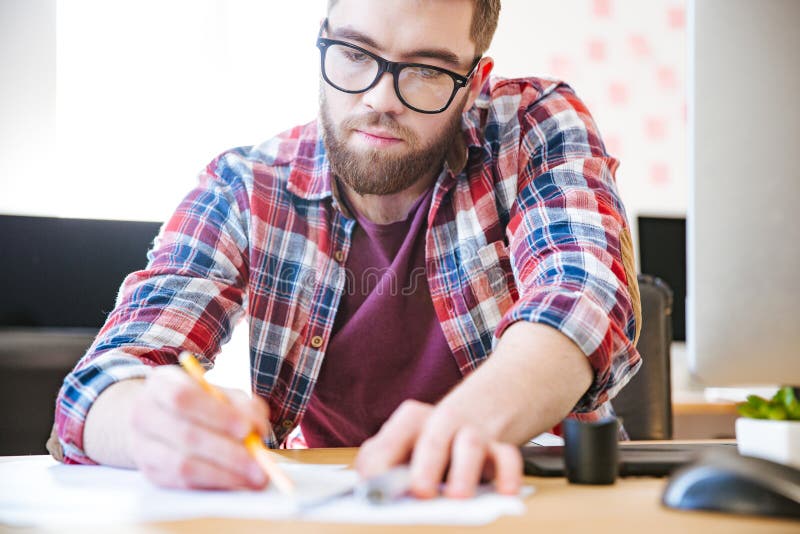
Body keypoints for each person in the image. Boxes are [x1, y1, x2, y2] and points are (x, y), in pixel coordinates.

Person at [53, 0, 642, 498]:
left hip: (537, 500)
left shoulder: (531, 127)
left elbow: (582, 295)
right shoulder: (246, 187)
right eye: (356, 54)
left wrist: (466, 424)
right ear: (323, 45)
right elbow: (99, 383)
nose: (380, 98)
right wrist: (144, 423)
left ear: (475, 82)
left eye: (428, 71)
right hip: (343, 505)